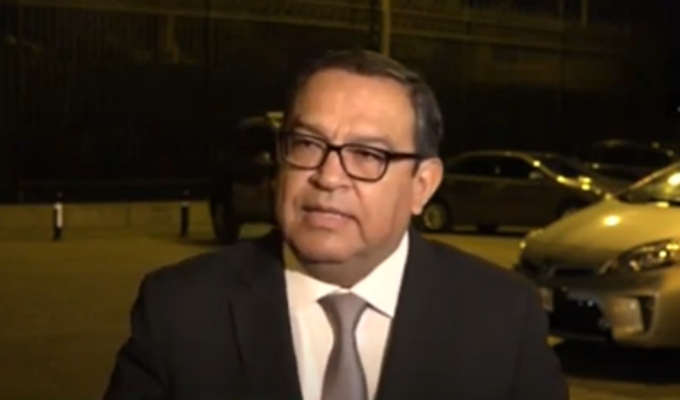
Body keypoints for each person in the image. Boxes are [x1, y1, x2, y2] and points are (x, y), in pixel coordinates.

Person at [103, 49, 569, 400]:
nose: (327, 177)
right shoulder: (181, 310)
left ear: (422, 186)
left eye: (367, 155)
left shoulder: (503, 316)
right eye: (307, 145)